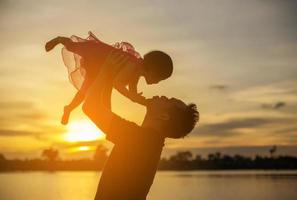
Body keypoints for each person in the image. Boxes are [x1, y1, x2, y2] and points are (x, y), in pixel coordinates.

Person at [82, 50, 199, 200]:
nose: (163, 95)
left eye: (168, 100)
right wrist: (109, 76)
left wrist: (105, 70)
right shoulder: (150, 141)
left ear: (163, 116)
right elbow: (104, 110)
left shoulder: (140, 139)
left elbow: (90, 107)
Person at [45, 31, 173, 125]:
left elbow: (132, 89)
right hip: (98, 57)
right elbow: (118, 84)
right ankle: (59, 39)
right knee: (74, 47)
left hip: (104, 74)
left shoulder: (137, 72)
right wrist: (132, 96)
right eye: (158, 78)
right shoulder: (132, 65)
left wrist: (139, 100)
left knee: (89, 94)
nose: (157, 82)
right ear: (152, 70)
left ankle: (69, 108)